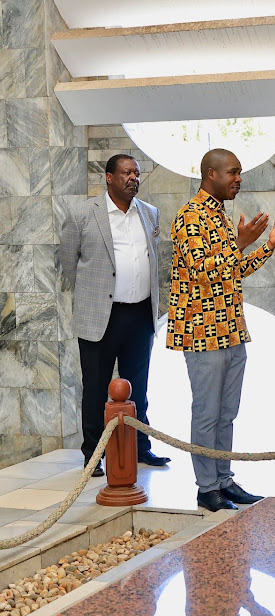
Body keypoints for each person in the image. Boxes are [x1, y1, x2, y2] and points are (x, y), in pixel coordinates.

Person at [167, 148, 275, 512]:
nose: (239, 179)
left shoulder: (219, 215)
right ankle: (207, 488)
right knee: (207, 412)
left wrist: (268, 245)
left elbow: (231, 271)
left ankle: (223, 480)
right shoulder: (189, 217)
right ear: (211, 174)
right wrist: (243, 241)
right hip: (202, 332)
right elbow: (203, 270)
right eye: (233, 173)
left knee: (227, 412)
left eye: (240, 172)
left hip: (231, 328)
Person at [60, 154, 169, 477]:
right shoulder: (83, 214)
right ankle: (93, 454)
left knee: (139, 386)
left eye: (136, 173)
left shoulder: (149, 213)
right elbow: (68, 263)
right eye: (126, 173)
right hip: (100, 316)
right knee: (95, 386)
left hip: (139, 315)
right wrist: (92, 295)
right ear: (108, 177)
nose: (133, 178)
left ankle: (141, 448)